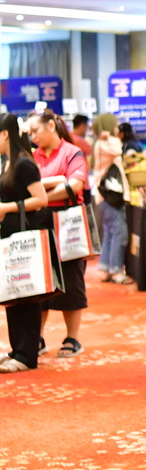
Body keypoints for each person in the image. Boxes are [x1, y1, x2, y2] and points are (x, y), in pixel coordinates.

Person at [28, 109, 89, 360]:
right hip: (39, 221)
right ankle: (37, 338)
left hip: (67, 222)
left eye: (36, 131)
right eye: (30, 133)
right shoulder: (33, 157)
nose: (33, 137)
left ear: (51, 126)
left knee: (71, 280)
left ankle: (72, 338)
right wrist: (56, 181)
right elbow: (26, 187)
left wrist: (41, 195)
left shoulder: (72, 153)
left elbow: (74, 186)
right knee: (39, 281)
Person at [0, 113, 49, 373]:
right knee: (14, 293)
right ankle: (17, 350)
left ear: (5, 134)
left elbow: (41, 199)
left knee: (27, 295)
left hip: (25, 236)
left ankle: (27, 355)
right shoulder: (8, 162)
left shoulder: (23, 164)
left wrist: (6, 208)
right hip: (11, 237)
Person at [92, 113, 133, 284]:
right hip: (110, 197)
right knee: (119, 234)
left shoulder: (100, 143)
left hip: (104, 197)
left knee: (110, 233)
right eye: (115, 125)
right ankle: (116, 270)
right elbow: (118, 150)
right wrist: (110, 137)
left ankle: (106, 268)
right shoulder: (106, 143)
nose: (117, 129)